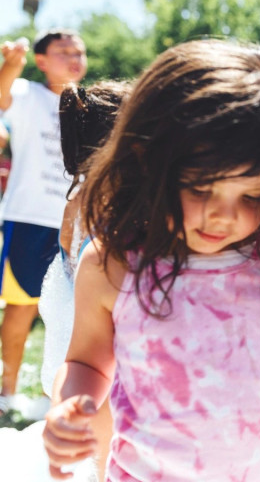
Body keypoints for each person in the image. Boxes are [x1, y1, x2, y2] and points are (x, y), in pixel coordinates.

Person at [41, 40, 260, 481]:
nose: (224, 216)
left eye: (252, 195)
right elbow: (87, 364)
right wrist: (67, 408)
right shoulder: (115, 264)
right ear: (148, 161)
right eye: (199, 189)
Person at [37, 81, 130, 482]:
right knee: (111, 439)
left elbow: (67, 258)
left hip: (75, 321)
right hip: (105, 330)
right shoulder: (115, 195)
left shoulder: (79, 194)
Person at [0, 29, 86, 413]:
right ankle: (7, 392)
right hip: (25, 220)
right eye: (63, 51)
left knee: (63, 313)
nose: (73, 57)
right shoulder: (28, 93)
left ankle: (57, 401)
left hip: (70, 225)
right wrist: (10, 65)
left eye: (79, 51)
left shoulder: (89, 105)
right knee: (19, 310)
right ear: (41, 61)